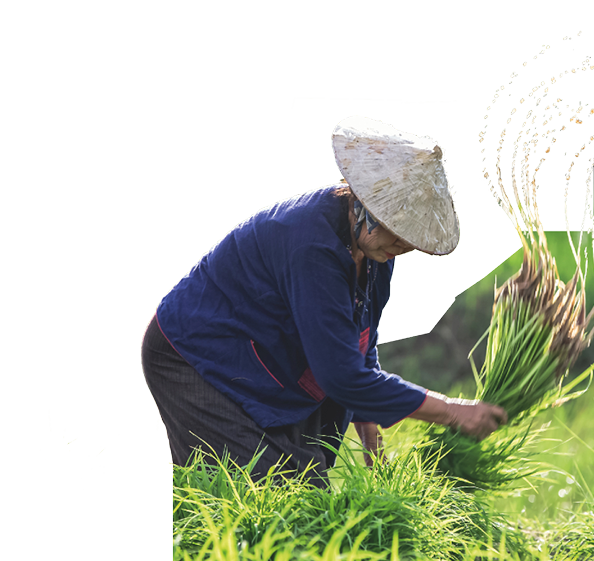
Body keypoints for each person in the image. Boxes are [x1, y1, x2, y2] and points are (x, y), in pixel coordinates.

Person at [141, 116, 508, 486]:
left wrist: (368, 421)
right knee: (273, 496)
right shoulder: (311, 246)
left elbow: (359, 336)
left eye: (410, 239)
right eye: (398, 235)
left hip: (266, 351)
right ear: (365, 205)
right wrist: (451, 411)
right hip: (195, 354)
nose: (404, 247)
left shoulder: (375, 249)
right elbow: (342, 376)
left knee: (307, 481)